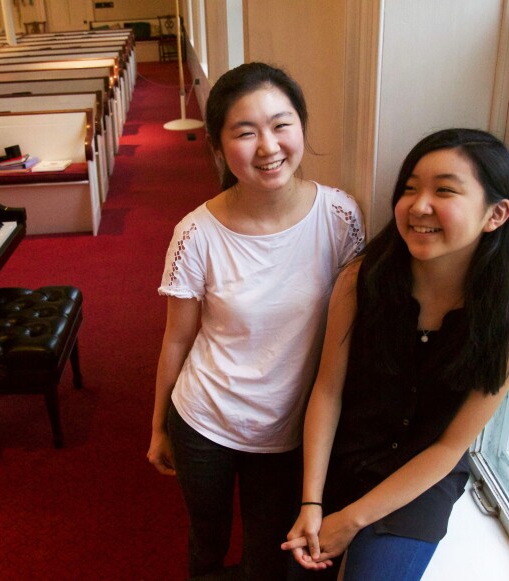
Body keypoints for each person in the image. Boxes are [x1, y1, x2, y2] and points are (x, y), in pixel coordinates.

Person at [282, 128, 509, 580]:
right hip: (344, 456)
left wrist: (352, 520)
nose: (419, 206)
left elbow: (451, 447)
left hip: (422, 480)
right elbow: (327, 393)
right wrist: (312, 502)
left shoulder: (508, 326)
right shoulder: (362, 281)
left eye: (445, 191)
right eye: (410, 188)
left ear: (495, 214)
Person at [148, 62, 364, 580]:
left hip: (288, 430)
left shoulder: (338, 218)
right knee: (210, 538)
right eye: (246, 132)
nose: (268, 146)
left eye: (280, 124)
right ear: (220, 148)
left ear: (302, 128)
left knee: (266, 555)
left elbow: (349, 337)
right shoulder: (196, 233)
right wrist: (159, 427)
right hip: (204, 420)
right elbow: (177, 338)